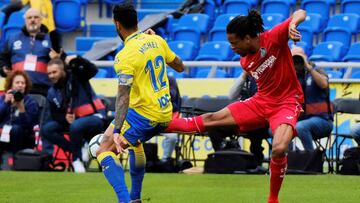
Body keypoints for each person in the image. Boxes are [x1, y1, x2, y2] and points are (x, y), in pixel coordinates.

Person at [165, 9, 306, 203]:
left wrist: (292, 24)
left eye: (233, 42)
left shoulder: (273, 38)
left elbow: (301, 12)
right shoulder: (245, 61)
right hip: (261, 101)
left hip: (287, 102)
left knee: (279, 148)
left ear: (248, 38)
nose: (231, 47)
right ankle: (158, 123)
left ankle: (273, 199)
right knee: (211, 119)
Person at [95, 4, 184, 203]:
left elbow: (123, 96)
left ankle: (125, 200)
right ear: (137, 22)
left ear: (117, 25)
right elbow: (180, 66)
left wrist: (116, 129)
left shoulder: (124, 56)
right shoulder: (157, 41)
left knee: (103, 151)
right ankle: (135, 199)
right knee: (135, 144)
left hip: (144, 115)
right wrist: (159, 44)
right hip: (164, 112)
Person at [41, 55, 105, 173]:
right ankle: (78, 149)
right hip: (73, 123)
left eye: (54, 72)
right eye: (49, 73)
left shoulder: (77, 76)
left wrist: (78, 58)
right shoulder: (52, 91)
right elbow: (55, 115)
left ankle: (76, 159)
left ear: (63, 69)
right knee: (47, 129)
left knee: (75, 126)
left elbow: (93, 70)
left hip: (94, 117)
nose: (51, 76)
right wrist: (64, 118)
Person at [0, 8, 61, 96]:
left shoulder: (51, 39)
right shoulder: (12, 38)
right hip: (17, 89)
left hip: (43, 90)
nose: (32, 20)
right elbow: (2, 58)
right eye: (29, 18)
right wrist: (3, 68)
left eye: (36, 17)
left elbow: (62, 64)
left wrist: (57, 59)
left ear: (41, 20)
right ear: (25, 20)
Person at [291, 46, 333, 150]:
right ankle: (294, 157)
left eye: (299, 57)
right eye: (293, 58)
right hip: (302, 120)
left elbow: (324, 84)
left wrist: (308, 67)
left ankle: (311, 161)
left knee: (300, 127)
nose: (297, 60)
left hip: (323, 120)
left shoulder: (316, 70)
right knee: (275, 129)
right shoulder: (292, 76)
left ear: (305, 57)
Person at [0, 70, 39, 160]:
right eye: (17, 82)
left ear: (26, 86)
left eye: (23, 83)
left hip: (23, 137)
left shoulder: (30, 102)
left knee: (16, 129)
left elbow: (29, 126)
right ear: (11, 85)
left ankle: (16, 160)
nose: (20, 85)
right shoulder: (3, 98)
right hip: (3, 133)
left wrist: (21, 108)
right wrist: (5, 103)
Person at [161, 75, 182, 162]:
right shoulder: (144, 79)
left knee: (172, 137)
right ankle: (142, 162)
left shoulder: (169, 79)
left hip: (167, 118)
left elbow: (172, 96)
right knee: (136, 135)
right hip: (148, 119)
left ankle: (165, 161)